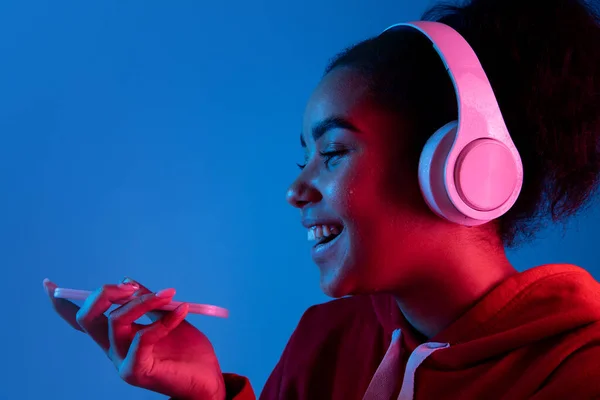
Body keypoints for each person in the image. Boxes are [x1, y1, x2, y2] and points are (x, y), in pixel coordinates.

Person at [44, 0, 600, 398]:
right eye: (302, 158)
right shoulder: (326, 340)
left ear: (459, 165)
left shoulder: (580, 370)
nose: (295, 190)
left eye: (333, 153)